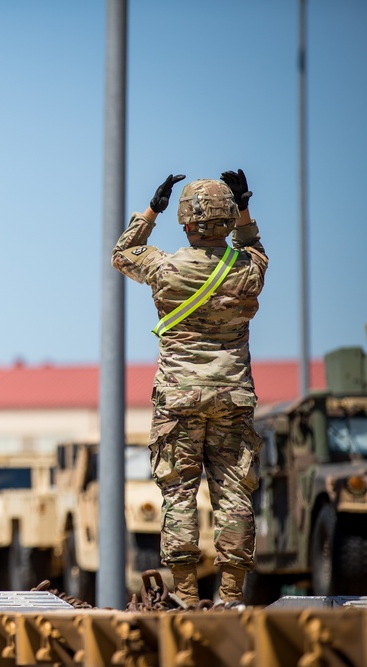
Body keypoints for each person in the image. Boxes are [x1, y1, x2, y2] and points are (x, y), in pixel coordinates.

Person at [111, 169, 268, 605]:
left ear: (186, 223)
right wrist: (245, 211)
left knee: (179, 489)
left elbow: (123, 253)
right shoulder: (246, 271)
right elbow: (256, 252)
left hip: (178, 398)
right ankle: (232, 593)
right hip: (233, 397)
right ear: (228, 219)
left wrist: (151, 210)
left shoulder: (166, 268)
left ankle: (184, 593)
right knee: (234, 490)